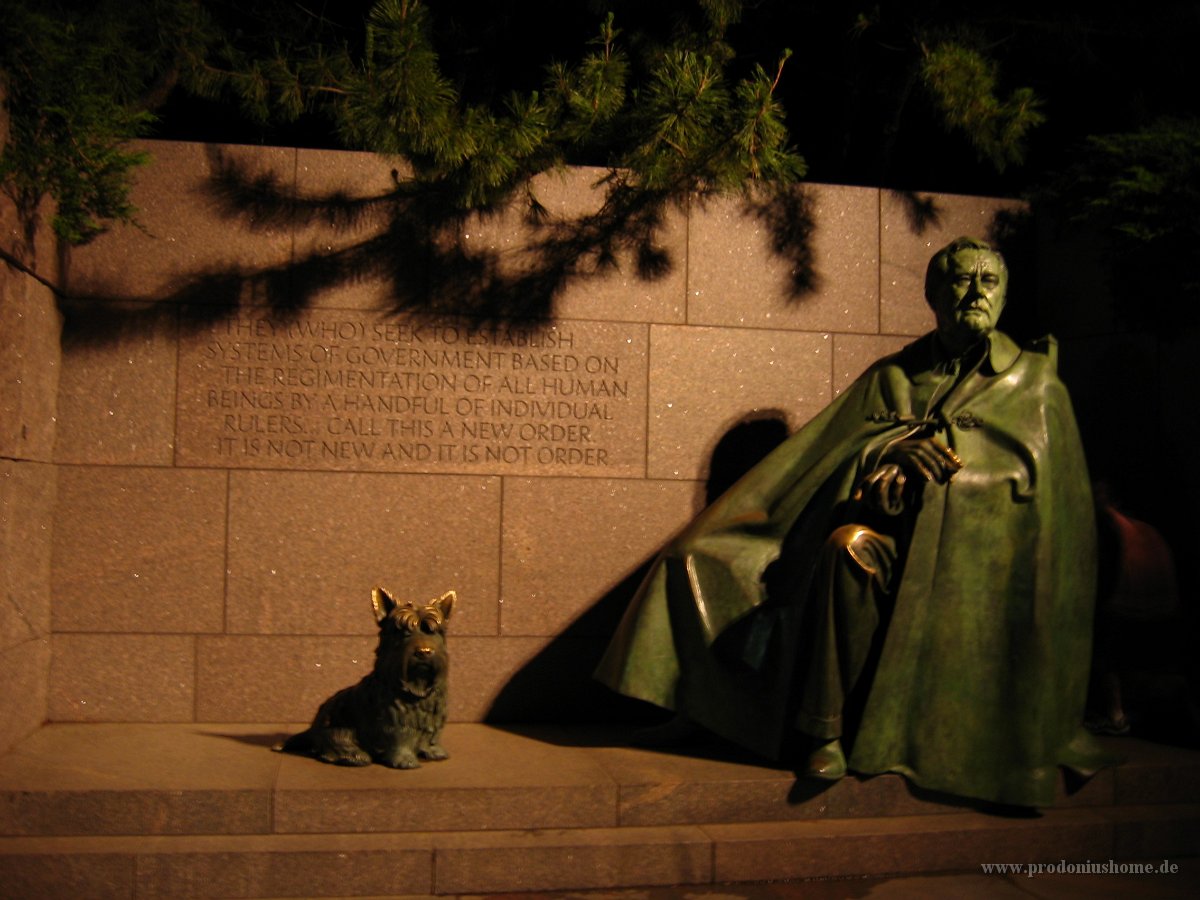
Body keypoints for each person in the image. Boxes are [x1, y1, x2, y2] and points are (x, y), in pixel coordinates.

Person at [596, 236, 1113, 808]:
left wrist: (942, 480)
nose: (975, 293)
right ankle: (706, 707)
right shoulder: (892, 376)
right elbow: (821, 458)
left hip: (965, 566)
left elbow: (1041, 501)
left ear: (1005, 294)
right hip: (865, 531)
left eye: (988, 282)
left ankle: (824, 728)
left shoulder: (1033, 383)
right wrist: (881, 457)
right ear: (933, 293)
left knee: (849, 549)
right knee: (698, 554)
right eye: (961, 280)